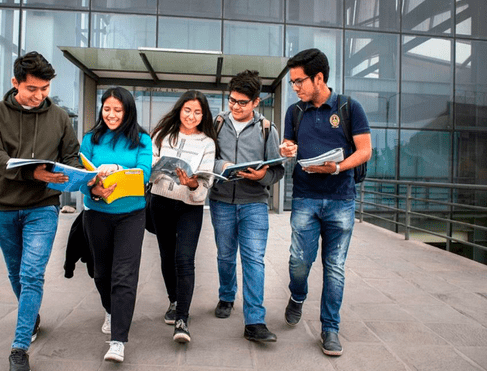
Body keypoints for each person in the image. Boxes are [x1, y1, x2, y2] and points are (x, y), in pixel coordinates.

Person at [0, 51, 81, 371]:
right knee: (15, 273)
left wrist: (78, 176)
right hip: (4, 208)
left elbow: (73, 157)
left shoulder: (60, 117)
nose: (39, 96)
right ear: (15, 83)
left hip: (43, 207)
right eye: (32, 89)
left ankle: (19, 347)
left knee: (31, 273)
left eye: (45, 89)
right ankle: (31, 313)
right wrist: (31, 173)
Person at [279, 48, 372, 356]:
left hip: (341, 199)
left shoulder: (349, 107)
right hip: (305, 196)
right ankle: (298, 294)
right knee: (299, 262)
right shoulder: (294, 112)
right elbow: (290, 146)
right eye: (292, 82)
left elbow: (364, 151)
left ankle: (330, 328)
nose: (295, 88)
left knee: (335, 267)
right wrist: (287, 149)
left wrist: (337, 167)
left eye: (299, 81)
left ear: (319, 78)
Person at [209, 70, 285, 342]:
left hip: (254, 203)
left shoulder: (267, 129)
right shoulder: (216, 123)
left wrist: (261, 176)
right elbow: (207, 158)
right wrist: (223, 166)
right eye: (232, 101)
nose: (236, 107)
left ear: (256, 102)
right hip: (221, 201)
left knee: (253, 259)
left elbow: (278, 170)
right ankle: (226, 296)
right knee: (225, 256)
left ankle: (254, 321)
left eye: (242, 102)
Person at [80, 86, 152, 363]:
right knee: (101, 273)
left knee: (124, 275)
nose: (111, 114)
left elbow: (145, 173)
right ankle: (110, 310)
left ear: (128, 111)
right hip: (96, 213)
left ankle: (118, 340)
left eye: (117, 110)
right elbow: (81, 175)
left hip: (131, 215)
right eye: (107, 109)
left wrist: (120, 171)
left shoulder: (142, 140)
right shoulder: (91, 138)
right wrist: (93, 188)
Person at [149, 90, 218, 343]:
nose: (192, 116)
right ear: (179, 109)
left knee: (184, 259)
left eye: (198, 112)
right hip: (161, 203)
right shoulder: (161, 135)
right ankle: (174, 301)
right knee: (167, 256)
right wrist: (156, 171)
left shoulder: (208, 143)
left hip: (190, 206)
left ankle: (182, 319)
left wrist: (191, 183)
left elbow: (206, 180)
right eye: (188, 110)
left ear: (203, 115)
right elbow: (150, 168)